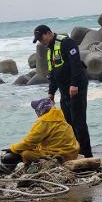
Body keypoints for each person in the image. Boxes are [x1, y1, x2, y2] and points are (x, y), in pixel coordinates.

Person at [33, 24, 93, 157]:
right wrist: (51, 92)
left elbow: (76, 64)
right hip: (64, 88)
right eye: (38, 40)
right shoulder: (50, 50)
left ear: (48, 33)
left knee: (78, 121)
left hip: (76, 86)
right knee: (68, 121)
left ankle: (87, 154)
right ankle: (76, 151)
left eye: (41, 38)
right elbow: (53, 73)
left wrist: (74, 84)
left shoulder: (66, 42)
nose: (41, 42)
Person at [8, 98, 79, 164]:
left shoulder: (44, 121)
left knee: (26, 154)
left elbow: (29, 142)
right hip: (72, 153)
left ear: (40, 109)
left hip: (61, 156)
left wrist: (13, 149)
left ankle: (34, 169)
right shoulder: (59, 116)